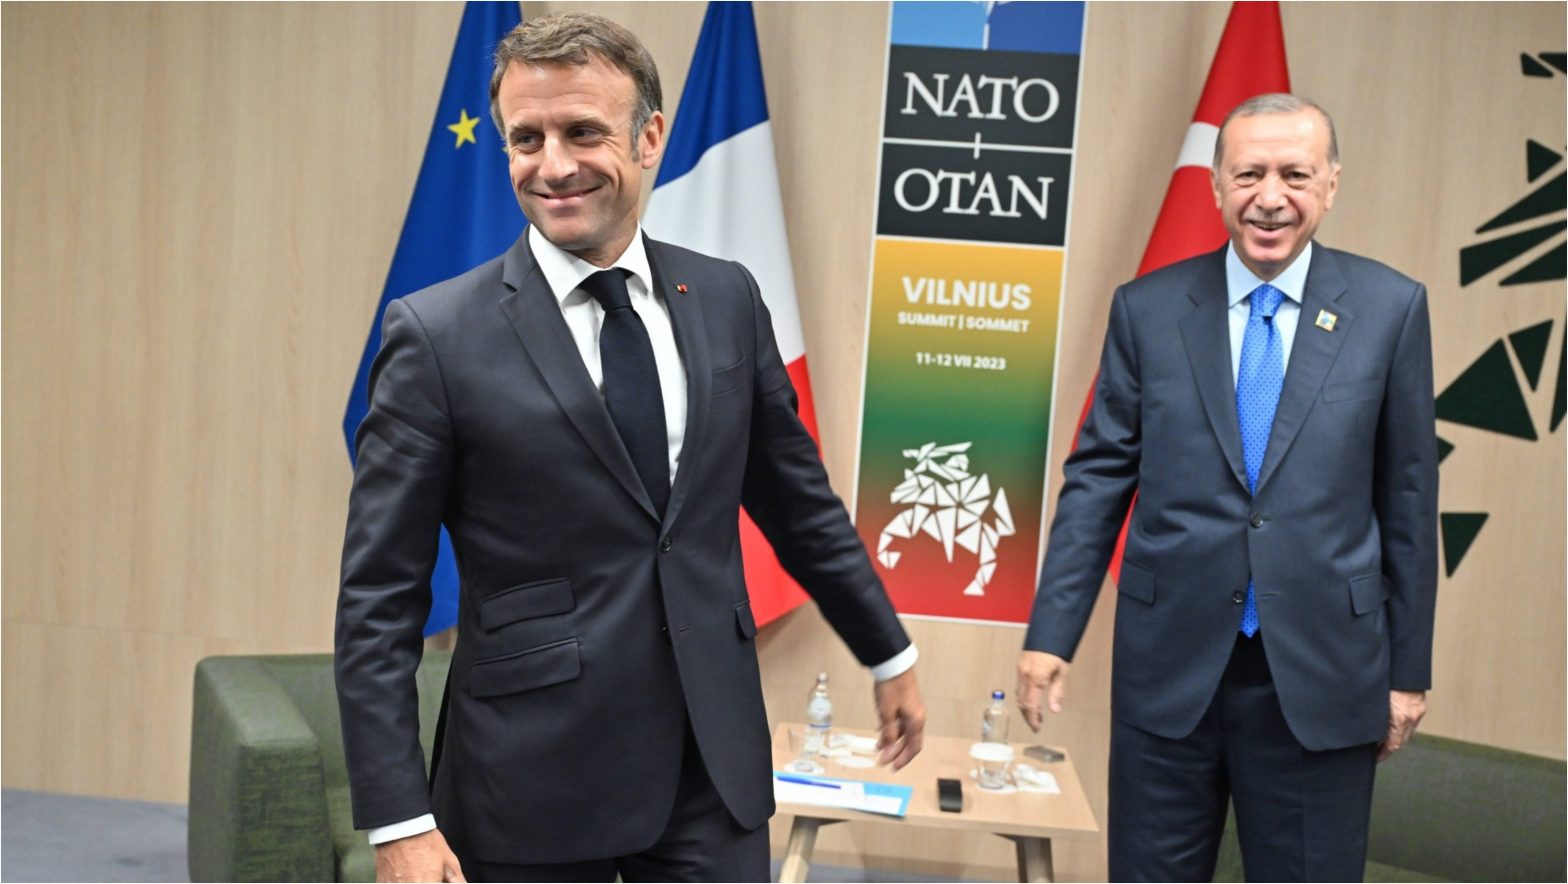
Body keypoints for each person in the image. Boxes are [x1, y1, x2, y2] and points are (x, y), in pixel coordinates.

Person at [335, 13, 925, 883]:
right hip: (525, 781)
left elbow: (797, 503)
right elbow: (379, 597)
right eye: (526, 139)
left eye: (582, 132)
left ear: (649, 138)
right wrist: (399, 821)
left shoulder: (725, 299)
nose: (552, 165)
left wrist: (889, 651)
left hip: (708, 766)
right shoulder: (436, 336)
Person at [1016, 94, 1437, 881]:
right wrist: (1051, 633)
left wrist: (1408, 673)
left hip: (1323, 673)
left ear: (1332, 184)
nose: (1270, 197)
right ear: (1216, 185)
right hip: (1170, 672)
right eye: (1249, 174)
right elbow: (1098, 478)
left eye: (1294, 175)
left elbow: (1408, 502)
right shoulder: (1147, 310)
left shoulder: (1391, 310)